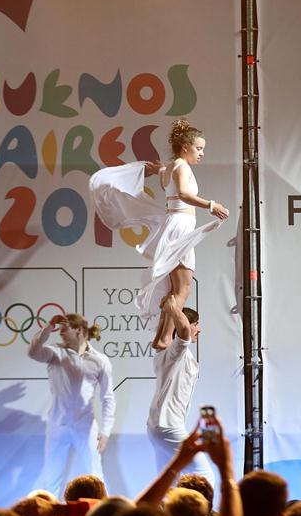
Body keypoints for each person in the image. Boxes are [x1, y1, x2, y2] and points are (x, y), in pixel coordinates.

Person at [89, 118, 228, 350]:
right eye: (199, 148)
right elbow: (183, 193)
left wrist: (160, 169)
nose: (202, 153)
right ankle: (165, 336)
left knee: (175, 288)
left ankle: (162, 336)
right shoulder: (182, 167)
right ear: (186, 147)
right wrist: (211, 205)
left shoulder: (171, 168)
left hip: (175, 224)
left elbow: (171, 180)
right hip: (180, 225)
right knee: (183, 288)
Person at [28, 313, 116, 496]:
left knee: (96, 476)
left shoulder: (100, 360)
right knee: (51, 478)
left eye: (65, 328)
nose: (60, 332)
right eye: (58, 329)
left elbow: (107, 397)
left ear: (79, 330)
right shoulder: (54, 353)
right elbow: (33, 352)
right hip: (57, 424)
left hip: (86, 425)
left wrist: (106, 431)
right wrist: (48, 327)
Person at [147, 297, 214, 482]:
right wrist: (173, 307)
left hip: (159, 425)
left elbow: (161, 339)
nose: (198, 329)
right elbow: (183, 331)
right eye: (196, 324)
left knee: (167, 479)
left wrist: (169, 311)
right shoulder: (176, 352)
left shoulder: (166, 352)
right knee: (205, 476)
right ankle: (203, 511)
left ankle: (163, 511)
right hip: (167, 425)